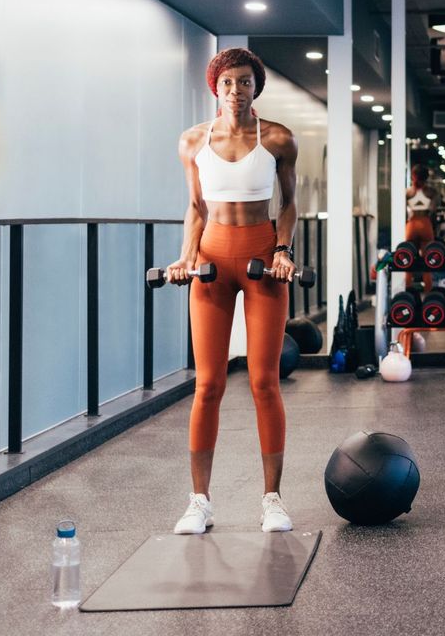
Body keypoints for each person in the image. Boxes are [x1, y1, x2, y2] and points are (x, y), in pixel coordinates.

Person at [163, 48, 299, 534]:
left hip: (261, 255)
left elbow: (289, 203)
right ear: (215, 88)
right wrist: (184, 257)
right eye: (227, 83)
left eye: (244, 82)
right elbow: (196, 207)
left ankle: (272, 499)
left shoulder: (278, 138)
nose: (236, 91)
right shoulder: (192, 142)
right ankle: (199, 500)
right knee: (208, 384)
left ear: (254, 87)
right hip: (212, 261)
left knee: (264, 381)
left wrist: (283, 250)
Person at [405, 163, 441, 290]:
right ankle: (428, 292)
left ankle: (407, 289)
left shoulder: (408, 192)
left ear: (413, 176)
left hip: (412, 224)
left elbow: (403, 212)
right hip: (425, 223)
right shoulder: (432, 192)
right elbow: (434, 211)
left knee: (407, 258)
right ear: (426, 177)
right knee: (428, 259)